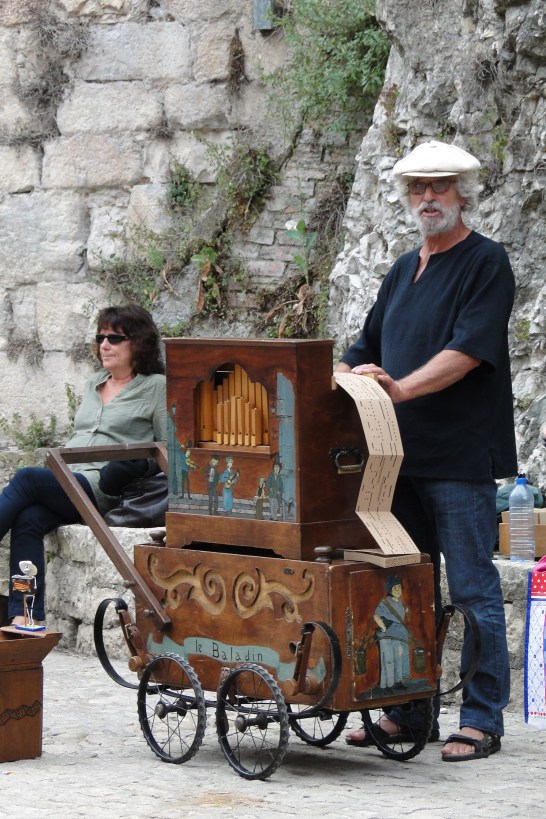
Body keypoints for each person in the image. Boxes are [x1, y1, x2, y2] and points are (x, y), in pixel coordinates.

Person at [337, 140, 517, 762]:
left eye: (439, 186)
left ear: (463, 193)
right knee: (405, 588)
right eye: (417, 187)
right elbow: (363, 347)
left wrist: (400, 389)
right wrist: (337, 379)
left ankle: (482, 719)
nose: (428, 197)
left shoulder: (486, 261)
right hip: (395, 461)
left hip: (460, 459)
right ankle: (410, 712)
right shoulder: (401, 270)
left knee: (472, 590)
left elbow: (468, 351)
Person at [0, 304, 167, 627]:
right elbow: (83, 434)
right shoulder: (94, 383)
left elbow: (167, 448)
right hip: (66, 479)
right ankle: (26, 615)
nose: (104, 345)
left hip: (101, 487)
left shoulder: (156, 387)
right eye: (101, 337)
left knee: (27, 478)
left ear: (139, 343)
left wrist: (135, 465)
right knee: (28, 520)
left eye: (114, 338)